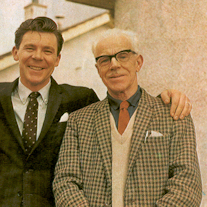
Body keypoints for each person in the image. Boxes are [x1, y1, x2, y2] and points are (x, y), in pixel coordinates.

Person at [0, 18, 192, 207]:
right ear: (16, 52)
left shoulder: (80, 99)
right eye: (30, 48)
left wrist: (167, 96)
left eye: (47, 51)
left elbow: (120, 106)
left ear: (58, 59)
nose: (38, 57)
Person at [52, 28, 202, 207]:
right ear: (98, 69)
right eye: (104, 60)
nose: (114, 65)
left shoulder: (173, 114)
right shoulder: (79, 121)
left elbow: (187, 184)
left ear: (138, 62)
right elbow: (65, 182)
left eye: (122, 56)